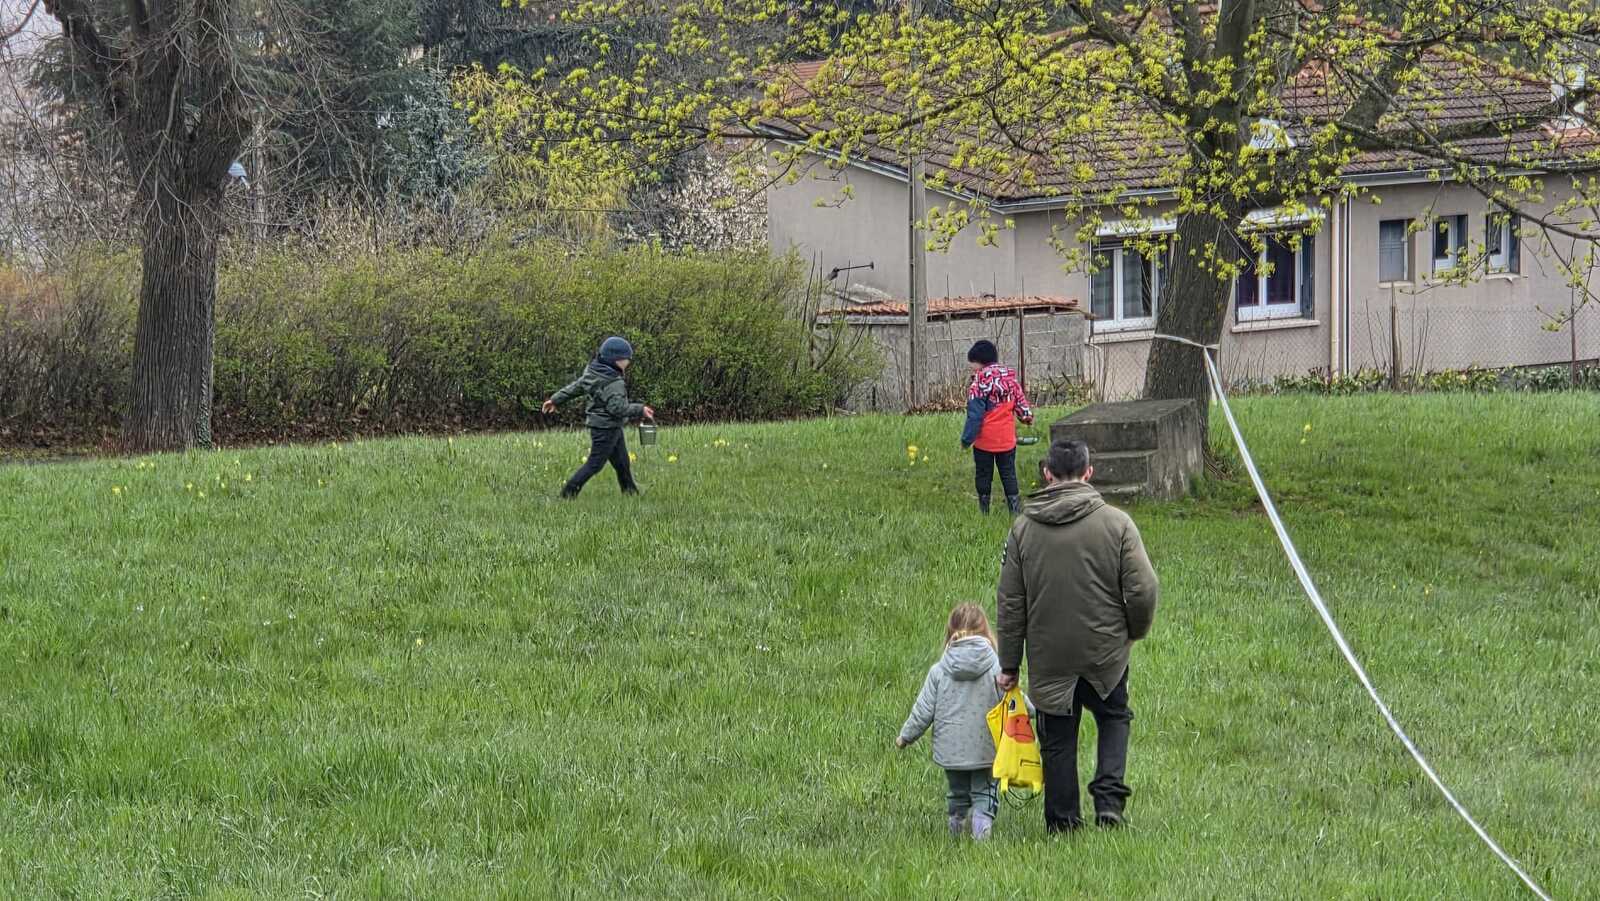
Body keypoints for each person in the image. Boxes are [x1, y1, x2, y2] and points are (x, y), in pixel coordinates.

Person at [996, 439, 1158, 833]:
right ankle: (1109, 800)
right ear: (1089, 472)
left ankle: (1063, 820)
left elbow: (1011, 602)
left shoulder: (1023, 530)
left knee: (1058, 737)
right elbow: (1143, 589)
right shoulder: (1118, 524)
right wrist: (1134, 631)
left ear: (1046, 474)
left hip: (1050, 655)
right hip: (1106, 651)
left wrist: (1009, 664)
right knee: (1114, 716)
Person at [896, 603, 1006, 840]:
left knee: (957, 793)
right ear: (986, 633)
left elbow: (923, 710)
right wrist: (1035, 711)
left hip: (951, 751)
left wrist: (906, 736)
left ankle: (956, 831)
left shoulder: (939, 671)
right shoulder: (997, 670)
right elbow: (1013, 701)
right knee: (985, 793)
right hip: (985, 748)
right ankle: (981, 838)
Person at [543, 336, 655, 498]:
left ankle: (630, 492)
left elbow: (575, 387)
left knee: (622, 461)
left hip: (609, 426)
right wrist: (641, 409)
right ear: (615, 360)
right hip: (605, 428)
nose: (628, 362)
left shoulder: (593, 372)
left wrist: (555, 400)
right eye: (626, 359)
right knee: (595, 464)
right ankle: (568, 493)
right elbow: (618, 409)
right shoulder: (613, 383)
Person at [959, 340, 1034, 516]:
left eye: (973, 364)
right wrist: (1027, 417)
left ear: (980, 362)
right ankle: (1014, 510)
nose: (972, 369)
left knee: (983, 474)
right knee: (1008, 474)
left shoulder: (978, 384)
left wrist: (966, 439)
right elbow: (1021, 404)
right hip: (1007, 441)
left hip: (985, 442)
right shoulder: (1011, 380)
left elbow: (975, 417)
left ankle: (984, 510)